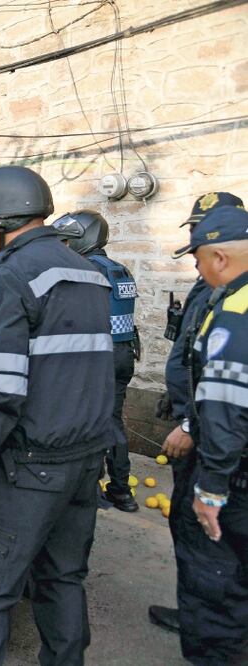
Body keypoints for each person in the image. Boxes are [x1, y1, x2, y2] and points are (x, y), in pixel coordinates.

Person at [0, 165, 115, 665]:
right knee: (61, 580)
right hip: (84, 461)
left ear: (2, 218)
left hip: (27, 466)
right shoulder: (89, 272)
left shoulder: (8, 278)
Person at [148, 191, 244, 633]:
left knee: (205, 539)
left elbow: (224, 390)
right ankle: (200, 616)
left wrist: (191, 425)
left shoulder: (231, 300)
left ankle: (207, 629)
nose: (194, 251)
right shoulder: (214, 287)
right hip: (210, 432)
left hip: (215, 442)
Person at [53, 210, 140, 512]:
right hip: (123, 354)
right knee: (113, 422)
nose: (63, 247)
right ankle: (122, 490)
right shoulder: (120, 270)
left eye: (67, 241)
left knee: (84, 422)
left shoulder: (85, 270)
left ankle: (88, 487)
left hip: (95, 358)